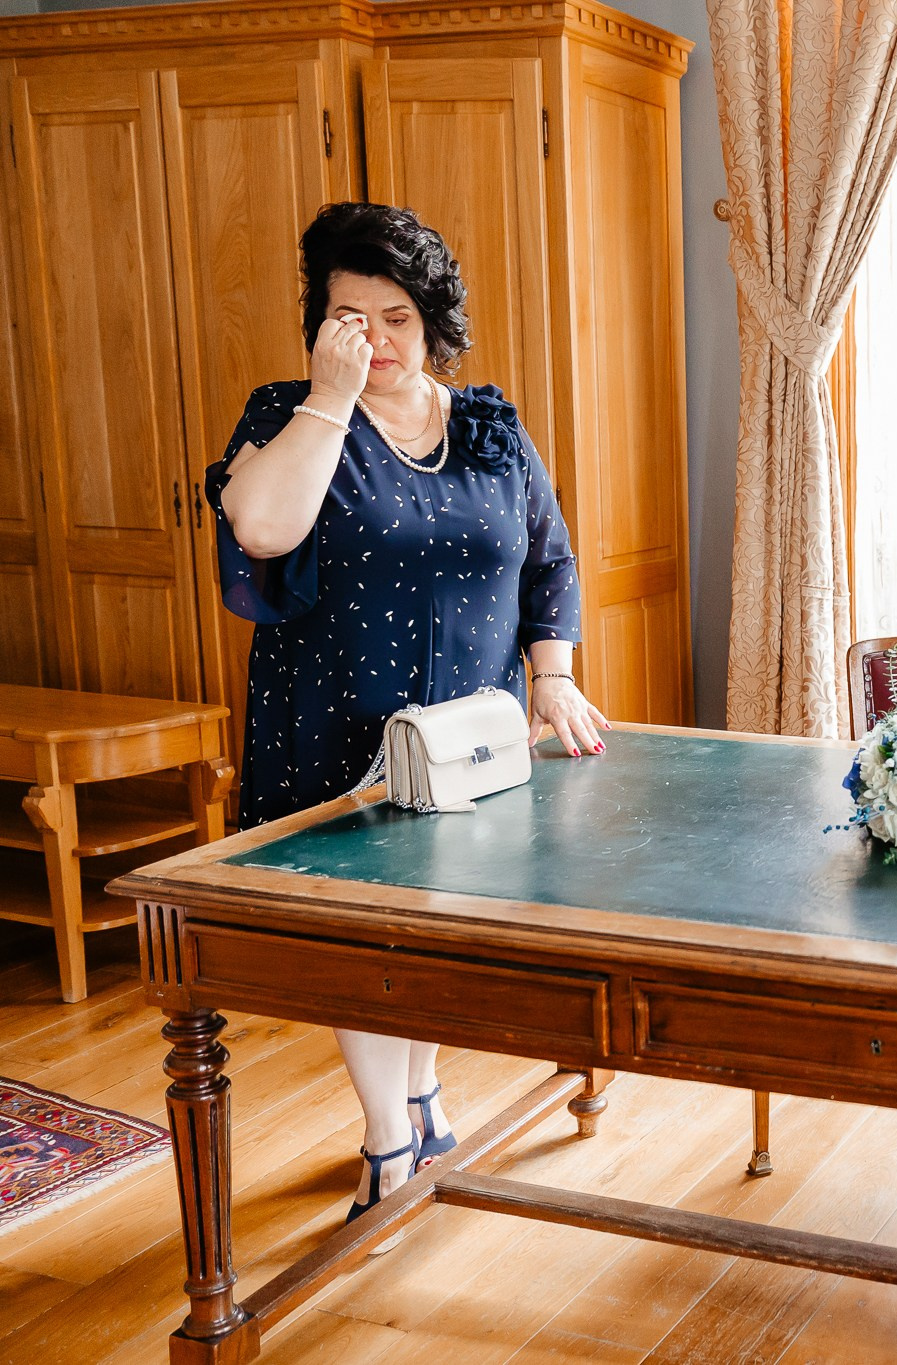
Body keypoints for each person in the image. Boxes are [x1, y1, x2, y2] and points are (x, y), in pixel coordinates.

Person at [208, 202, 611, 1225]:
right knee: (361, 947)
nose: (373, 340)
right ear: (320, 322)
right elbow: (260, 525)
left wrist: (553, 675)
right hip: (332, 730)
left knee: (432, 942)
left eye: (393, 316)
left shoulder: (486, 423)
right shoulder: (287, 414)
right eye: (348, 316)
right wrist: (330, 398)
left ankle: (422, 1099)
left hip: (468, 740)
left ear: (431, 320)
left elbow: (550, 555)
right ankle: (389, 1141)